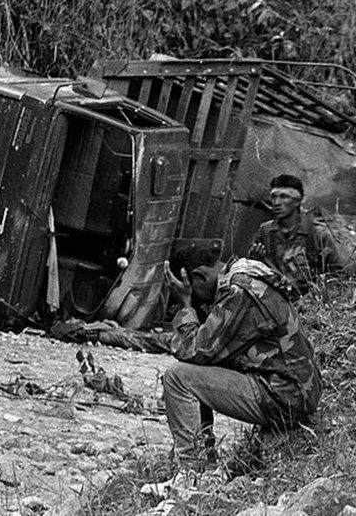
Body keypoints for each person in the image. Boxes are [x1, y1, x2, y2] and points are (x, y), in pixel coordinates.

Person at [142, 256, 322, 498]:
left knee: (177, 378)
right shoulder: (248, 276)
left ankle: (193, 476)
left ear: (199, 277)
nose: (206, 307)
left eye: (200, 299)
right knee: (195, 374)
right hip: (295, 390)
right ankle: (204, 467)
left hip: (283, 396)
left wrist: (186, 305)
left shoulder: (238, 291)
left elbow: (194, 350)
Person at [247, 174, 342, 294]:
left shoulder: (317, 233)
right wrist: (256, 259)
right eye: (273, 197)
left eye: (284, 197)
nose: (276, 202)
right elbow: (255, 270)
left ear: (297, 201)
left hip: (310, 301)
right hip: (275, 297)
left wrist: (316, 298)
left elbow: (338, 275)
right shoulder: (265, 231)